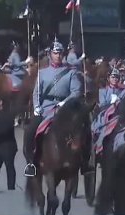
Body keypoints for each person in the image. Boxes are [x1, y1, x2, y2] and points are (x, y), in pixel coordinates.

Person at [24, 38, 83, 177]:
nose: (58, 55)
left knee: (82, 129)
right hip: (46, 109)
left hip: (66, 108)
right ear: (50, 54)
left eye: (60, 53)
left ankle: (85, 162)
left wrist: (65, 102)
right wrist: (37, 106)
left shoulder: (71, 72)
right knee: (30, 131)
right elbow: (37, 92)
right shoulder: (42, 73)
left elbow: (76, 91)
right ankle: (31, 162)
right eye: (55, 53)